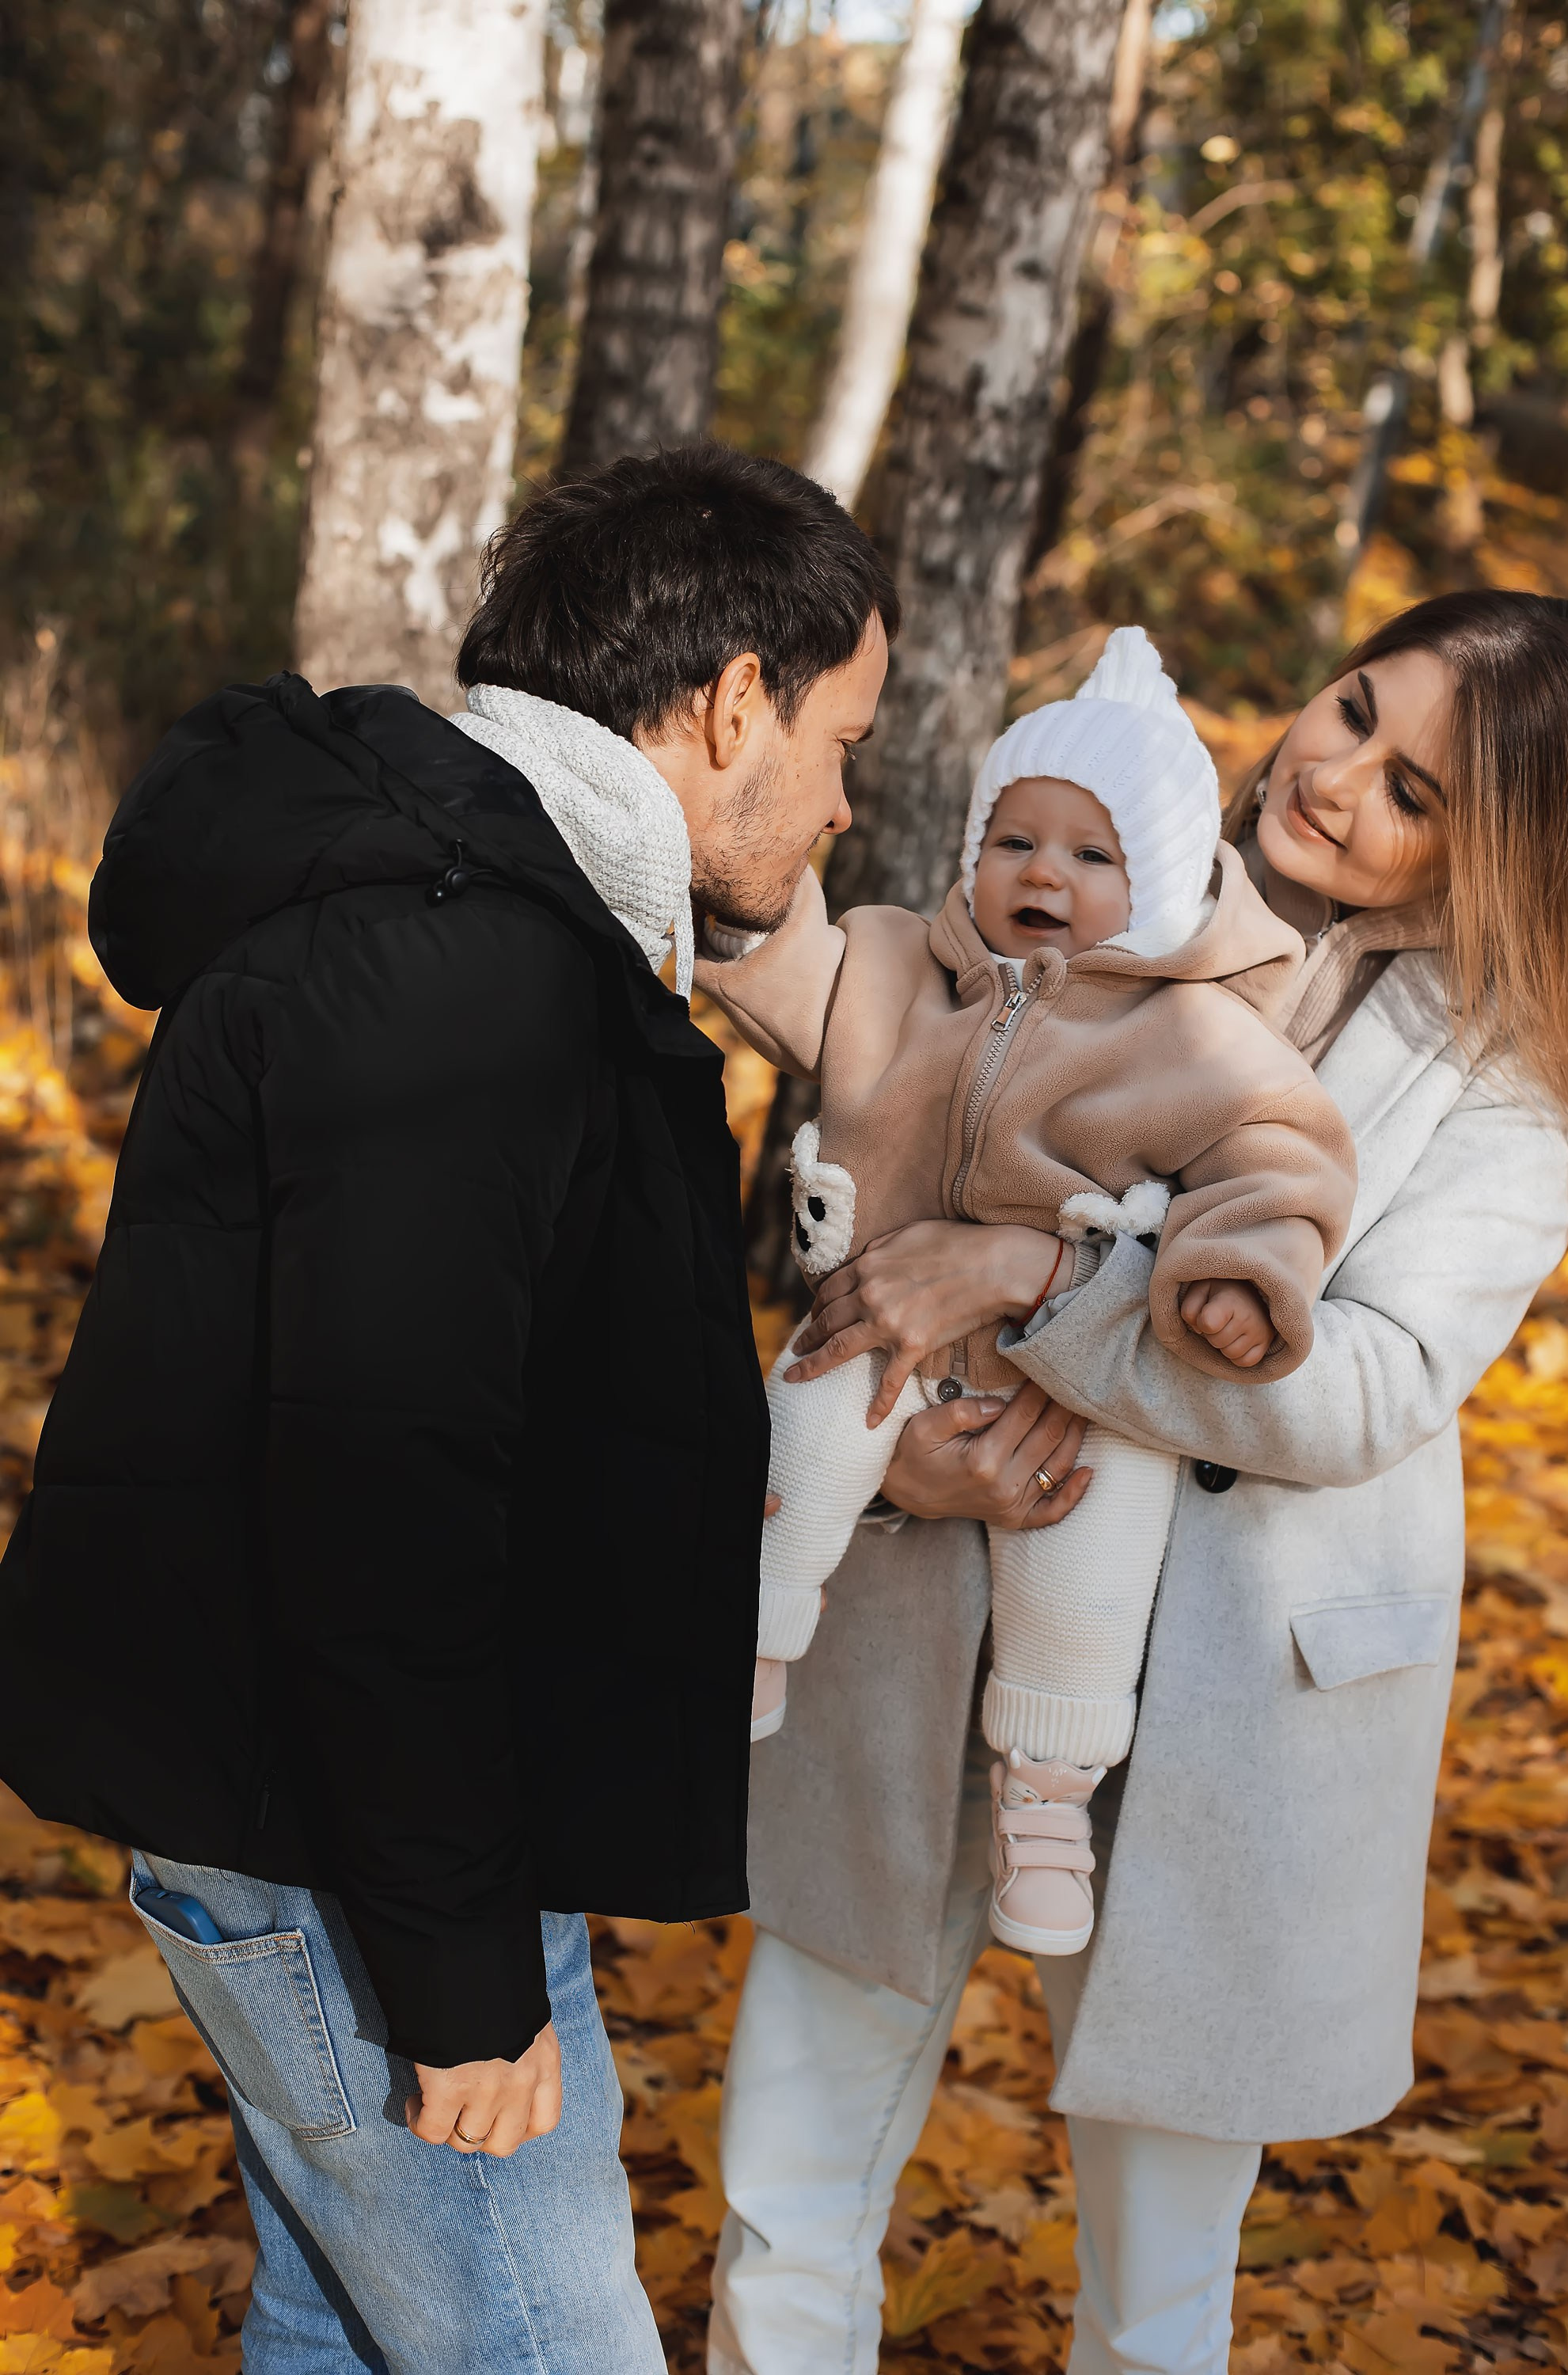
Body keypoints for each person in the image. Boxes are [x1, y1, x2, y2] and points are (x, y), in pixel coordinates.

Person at [0, 444, 897, 2374]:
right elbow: (375, 1510)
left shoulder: (486, 912)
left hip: (347, 1815)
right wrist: (465, 1988)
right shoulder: (462, 967)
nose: (840, 800)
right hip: (358, 1850)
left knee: (341, 2328)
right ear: (734, 698)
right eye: (842, 737)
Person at [708, 589, 1568, 2375]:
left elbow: (1365, 1392)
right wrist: (905, 1459)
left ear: (1489, 861)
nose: (1332, 777)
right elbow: (886, 1146)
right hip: (925, 1604)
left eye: (1411, 786)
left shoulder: (1508, 1086)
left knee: (1158, 2288)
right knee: (784, 2193)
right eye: (1351, 708)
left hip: (1229, 1710)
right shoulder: (1091, 870)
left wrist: (1035, 1282)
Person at [697, 627, 1355, 1957]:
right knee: (807, 1435)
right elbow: (786, 965)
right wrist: (732, 894)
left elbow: (1282, 1167)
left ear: (1160, 885)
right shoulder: (898, 966)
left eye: (1091, 855)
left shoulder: (1197, 1038)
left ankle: (1048, 1802)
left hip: (1081, 1377)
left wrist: (1240, 1277)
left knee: (1090, 1554)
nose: (1042, 872)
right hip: (881, 1325)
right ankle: (752, 1641)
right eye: (1015, 841)